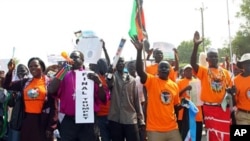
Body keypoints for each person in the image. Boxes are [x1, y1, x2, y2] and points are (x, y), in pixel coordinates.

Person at [48, 50, 107, 141]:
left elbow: (103, 98)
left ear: (83, 60)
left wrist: (99, 83)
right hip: (69, 122)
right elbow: (51, 89)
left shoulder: (91, 75)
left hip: (87, 121)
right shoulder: (64, 74)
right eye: (71, 57)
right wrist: (64, 69)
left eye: (76, 57)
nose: (72, 59)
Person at [132, 38, 182, 141]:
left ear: (170, 71)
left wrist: (183, 105)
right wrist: (139, 51)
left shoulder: (174, 86)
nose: (164, 69)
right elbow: (140, 71)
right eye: (161, 68)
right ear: (157, 71)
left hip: (172, 128)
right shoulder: (152, 81)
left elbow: (175, 106)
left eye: (166, 68)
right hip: (155, 130)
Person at [3, 58, 58, 141]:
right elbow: (7, 86)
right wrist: (10, 71)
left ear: (42, 67)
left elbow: (54, 107)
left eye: (36, 66)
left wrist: (51, 127)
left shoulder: (49, 83)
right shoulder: (25, 82)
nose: (33, 68)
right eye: (30, 66)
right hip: (28, 121)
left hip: (43, 121)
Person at [190, 31, 232, 141]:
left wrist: (232, 92)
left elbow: (230, 90)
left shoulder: (226, 73)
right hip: (209, 108)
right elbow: (193, 63)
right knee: (213, 136)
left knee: (225, 135)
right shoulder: (204, 71)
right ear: (207, 60)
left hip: (223, 109)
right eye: (211, 57)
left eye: (215, 56)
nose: (213, 59)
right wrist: (195, 46)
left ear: (218, 58)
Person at [106, 57, 145, 141]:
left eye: (122, 62)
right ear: (115, 64)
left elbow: (136, 100)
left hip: (130, 118)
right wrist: (109, 73)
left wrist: (141, 119)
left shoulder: (132, 80)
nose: (120, 63)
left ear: (125, 64)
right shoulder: (112, 77)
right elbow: (109, 83)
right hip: (115, 118)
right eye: (118, 62)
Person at [177, 64, 203, 141]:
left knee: (197, 135)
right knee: (185, 135)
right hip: (184, 114)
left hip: (197, 113)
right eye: (187, 70)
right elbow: (176, 95)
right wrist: (185, 89)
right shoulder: (179, 82)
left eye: (190, 70)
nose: (189, 72)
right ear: (183, 72)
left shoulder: (198, 82)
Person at [7, 64, 30, 141]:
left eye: (23, 71)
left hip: (29, 118)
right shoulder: (15, 84)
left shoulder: (30, 82)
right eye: (19, 71)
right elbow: (10, 104)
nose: (21, 73)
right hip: (16, 119)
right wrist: (12, 96)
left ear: (27, 71)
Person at [233, 53, 250, 125]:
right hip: (242, 116)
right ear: (243, 65)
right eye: (248, 63)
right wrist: (232, 93)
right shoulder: (236, 80)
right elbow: (234, 102)